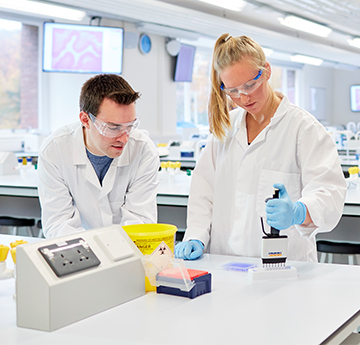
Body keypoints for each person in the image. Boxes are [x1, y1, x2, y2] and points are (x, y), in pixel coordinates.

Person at [175, 33, 346, 262]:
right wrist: (195, 236)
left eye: (250, 85)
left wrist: (300, 211)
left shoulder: (303, 129)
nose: (243, 97)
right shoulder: (225, 129)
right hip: (225, 263)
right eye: (232, 90)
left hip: (285, 269)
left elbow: (330, 192)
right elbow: (203, 192)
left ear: (266, 71)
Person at [38, 74, 160, 238]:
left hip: (129, 251)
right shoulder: (54, 150)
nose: (124, 138)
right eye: (113, 127)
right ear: (85, 120)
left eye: (129, 126)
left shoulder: (144, 150)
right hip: (79, 253)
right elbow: (58, 224)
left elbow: (140, 223)